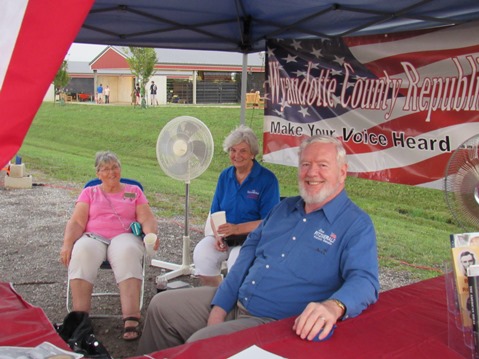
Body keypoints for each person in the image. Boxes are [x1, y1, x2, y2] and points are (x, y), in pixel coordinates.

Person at [137, 135, 379, 354]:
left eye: (322, 165)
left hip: (275, 321)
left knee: (202, 343)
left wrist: (334, 306)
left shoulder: (355, 224)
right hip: (237, 301)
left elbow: (366, 280)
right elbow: (246, 258)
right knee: (161, 306)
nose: (311, 172)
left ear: (343, 172)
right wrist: (220, 306)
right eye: (305, 164)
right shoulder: (284, 209)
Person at [60, 151, 158, 341]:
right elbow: (77, 222)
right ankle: (80, 318)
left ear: (120, 169)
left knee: (127, 252)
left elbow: (146, 217)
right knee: (81, 252)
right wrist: (67, 244)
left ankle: (131, 317)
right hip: (94, 236)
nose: (111, 172)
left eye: (115, 167)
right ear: (98, 174)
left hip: (124, 235)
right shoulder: (90, 192)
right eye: (105, 169)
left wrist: (151, 234)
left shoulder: (133, 191)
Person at [193, 125, 280, 286]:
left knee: (236, 261)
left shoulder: (267, 180)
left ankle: (233, 304)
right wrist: (218, 236)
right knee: (202, 253)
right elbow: (215, 211)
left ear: (252, 154)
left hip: (252, 239)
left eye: (243, 151)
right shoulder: (225, 176)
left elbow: (269, 221)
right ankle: (214, 297)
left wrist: (237, 229)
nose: (237, 155)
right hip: (226, 237)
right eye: (233, 150)